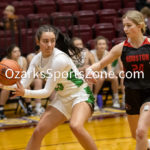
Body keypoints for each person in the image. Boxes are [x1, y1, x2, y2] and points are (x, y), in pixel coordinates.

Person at [0, 25, 97, 150]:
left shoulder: (59, 59)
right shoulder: (36, 60)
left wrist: (24, 93)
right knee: (38, 131)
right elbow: (23, 83)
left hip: (81, 95)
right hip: (62, 98)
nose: (49, 44)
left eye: (52, 41)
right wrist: (4, 85)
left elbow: (46, 92)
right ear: (37, 42)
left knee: (76, 126)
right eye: (45, 41)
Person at [86, 10, 150, 150]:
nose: (125, 29)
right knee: (136, 135)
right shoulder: (120, 48)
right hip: (132, 93)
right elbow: (100, 64)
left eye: (129, 25)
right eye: (124, 26)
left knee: (141, 132)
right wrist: (90, 70)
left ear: (140, 26)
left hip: (148, 93)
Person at [0, 44, 33, 119]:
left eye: (19, 51)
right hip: (7, 81)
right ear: (10, 53)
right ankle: (1, 110)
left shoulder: (23, 60)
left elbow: (24, 74)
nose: (18, 53)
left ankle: (29, 108)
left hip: (19, 81)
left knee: (26, 86)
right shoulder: (5, 61)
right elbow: (1, 76)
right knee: (6, 89)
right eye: (15, 51)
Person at [91, 36, 120, 108]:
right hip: (92, 73)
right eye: (100, 44)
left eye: (103, 44)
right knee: (101, 78)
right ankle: (94, 100)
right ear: (96, 46)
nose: (102, 46)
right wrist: (103, 73)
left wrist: (110, 74)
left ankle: (116, 99)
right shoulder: (91, 53)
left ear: (106, 45)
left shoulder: (107, 53)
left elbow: (109, 68)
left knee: (114, 78)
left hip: (103, 73)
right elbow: (94, 68)